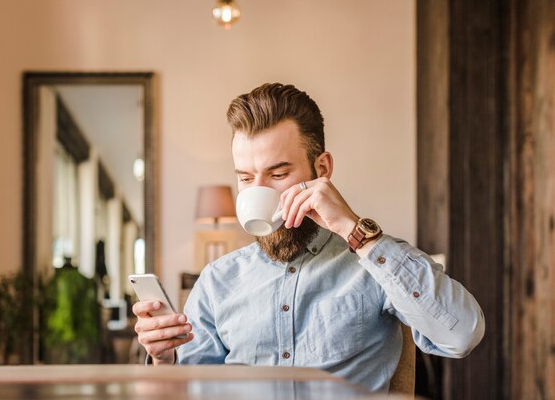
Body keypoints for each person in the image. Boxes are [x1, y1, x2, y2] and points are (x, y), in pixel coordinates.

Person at [132, 83, 485, 392]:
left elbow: (462, 335)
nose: (260, 192)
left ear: (322, 169)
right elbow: (193, 390)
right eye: (245, 177)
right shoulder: (217, 281)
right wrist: (165, 360)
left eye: (279, 173)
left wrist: (354, 229)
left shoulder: (375, 265)